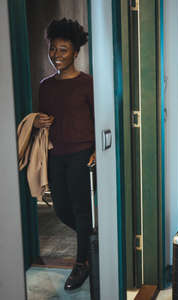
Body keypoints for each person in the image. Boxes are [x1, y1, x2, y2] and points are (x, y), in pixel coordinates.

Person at [33, 18, 95, 291]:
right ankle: (92, 239)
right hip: (56, 155)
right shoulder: (45, 86)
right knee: (61, 209)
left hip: (82, 154)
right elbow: (42, 120)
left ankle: (81, 263)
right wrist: (36, 122)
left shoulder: (88, 84)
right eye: (53, 49)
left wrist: (96, 152)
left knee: (82, 210)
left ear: (76, 52)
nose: (56, 55)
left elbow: (100, 119)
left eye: (63, 49)